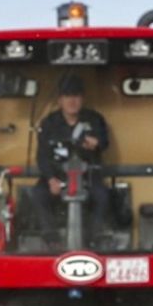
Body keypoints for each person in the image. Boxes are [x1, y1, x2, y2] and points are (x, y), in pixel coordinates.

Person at [32, 73, 111, 251]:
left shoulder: (95, 119)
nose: (72, 101)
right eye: (68, 96)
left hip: (88, 173)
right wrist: (51, 178)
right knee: (38, 194)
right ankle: (52, 240)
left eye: (76, 96)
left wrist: (96, 143)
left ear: (82, 99)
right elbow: (42, 156)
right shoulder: (49, 123)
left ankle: (94, 240)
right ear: (60, 100)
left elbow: (105, 142)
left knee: (102, 195)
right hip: (58, 173)